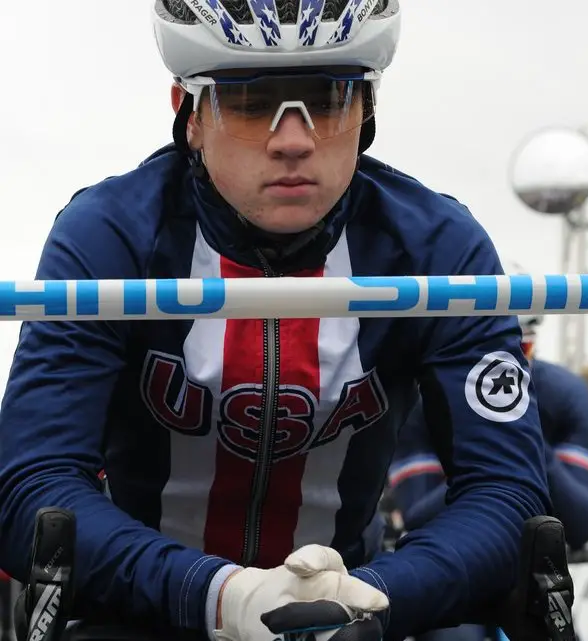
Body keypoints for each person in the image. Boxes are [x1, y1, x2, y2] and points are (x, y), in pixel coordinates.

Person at [0, 3, 550, 641]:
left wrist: (374, 597)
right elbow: (31, 489)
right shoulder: (108, 235)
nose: (294, 139)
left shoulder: (439, 249)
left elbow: (509, 495)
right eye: (251, 101)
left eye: (328, 97)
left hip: (365, 606)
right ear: (190, 113)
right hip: (145, 612)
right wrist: (216, 596)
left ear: (368, 110)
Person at [388, 261, 588, 641]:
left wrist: (520, 437)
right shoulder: (424, 398)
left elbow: (582, 523)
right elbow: (416, 517)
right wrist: (504, 459)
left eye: (521, 345)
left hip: (534, 569)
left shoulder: (565, 394)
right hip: (455, 560)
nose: (507, 360)